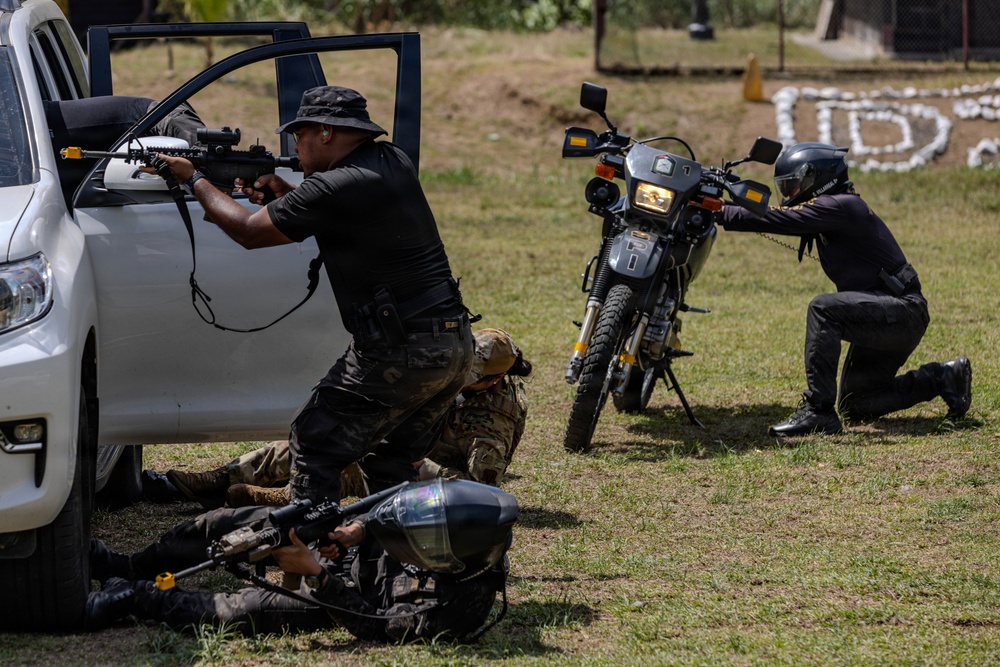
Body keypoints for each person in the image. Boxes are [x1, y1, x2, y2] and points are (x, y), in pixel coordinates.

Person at [149, 85, 474, 504]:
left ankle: (315, 554)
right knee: (390, 461)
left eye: (299, 136)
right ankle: (387, 560)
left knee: (314, 439)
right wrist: (286, 196)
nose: (295, 147)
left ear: (324, 131)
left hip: (401, 348)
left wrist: (192, 178)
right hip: (452, 345)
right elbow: (347, 217)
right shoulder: (391, 160)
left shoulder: (335, 186)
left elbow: (249, 233)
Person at [719, 142, 972, 437]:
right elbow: (774, 210)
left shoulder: (841, 205)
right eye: (786, 188)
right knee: (857, 404)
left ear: (818, 178)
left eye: (794, 185)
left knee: (823, 309)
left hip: (901, 312)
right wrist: (726, 189)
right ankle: (942, 377)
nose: (790, 194)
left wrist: (719, 212)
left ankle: (818, 411)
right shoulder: (835, 208)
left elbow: (779, 218)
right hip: (885, 314)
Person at [85, 479, 517, 641]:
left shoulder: (457, 610)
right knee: (230, 525)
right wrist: (358, 530)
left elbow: (376, 625)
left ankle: (135, 597)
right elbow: (408, 504)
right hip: (346, 546)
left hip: (344, 596)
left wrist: (315, 574)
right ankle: (127, 566)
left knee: (245, 610)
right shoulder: (461, 509)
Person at [148, 328, 532, 508]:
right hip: (403, 444)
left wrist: (426, 468)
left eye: (470, 378)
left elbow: (485, 491)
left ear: (495, 379)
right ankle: (220, 480)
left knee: (356, 465)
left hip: (420, 476)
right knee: (316, 441)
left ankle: (287, 500)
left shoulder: (493, 420)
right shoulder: (455, 370)